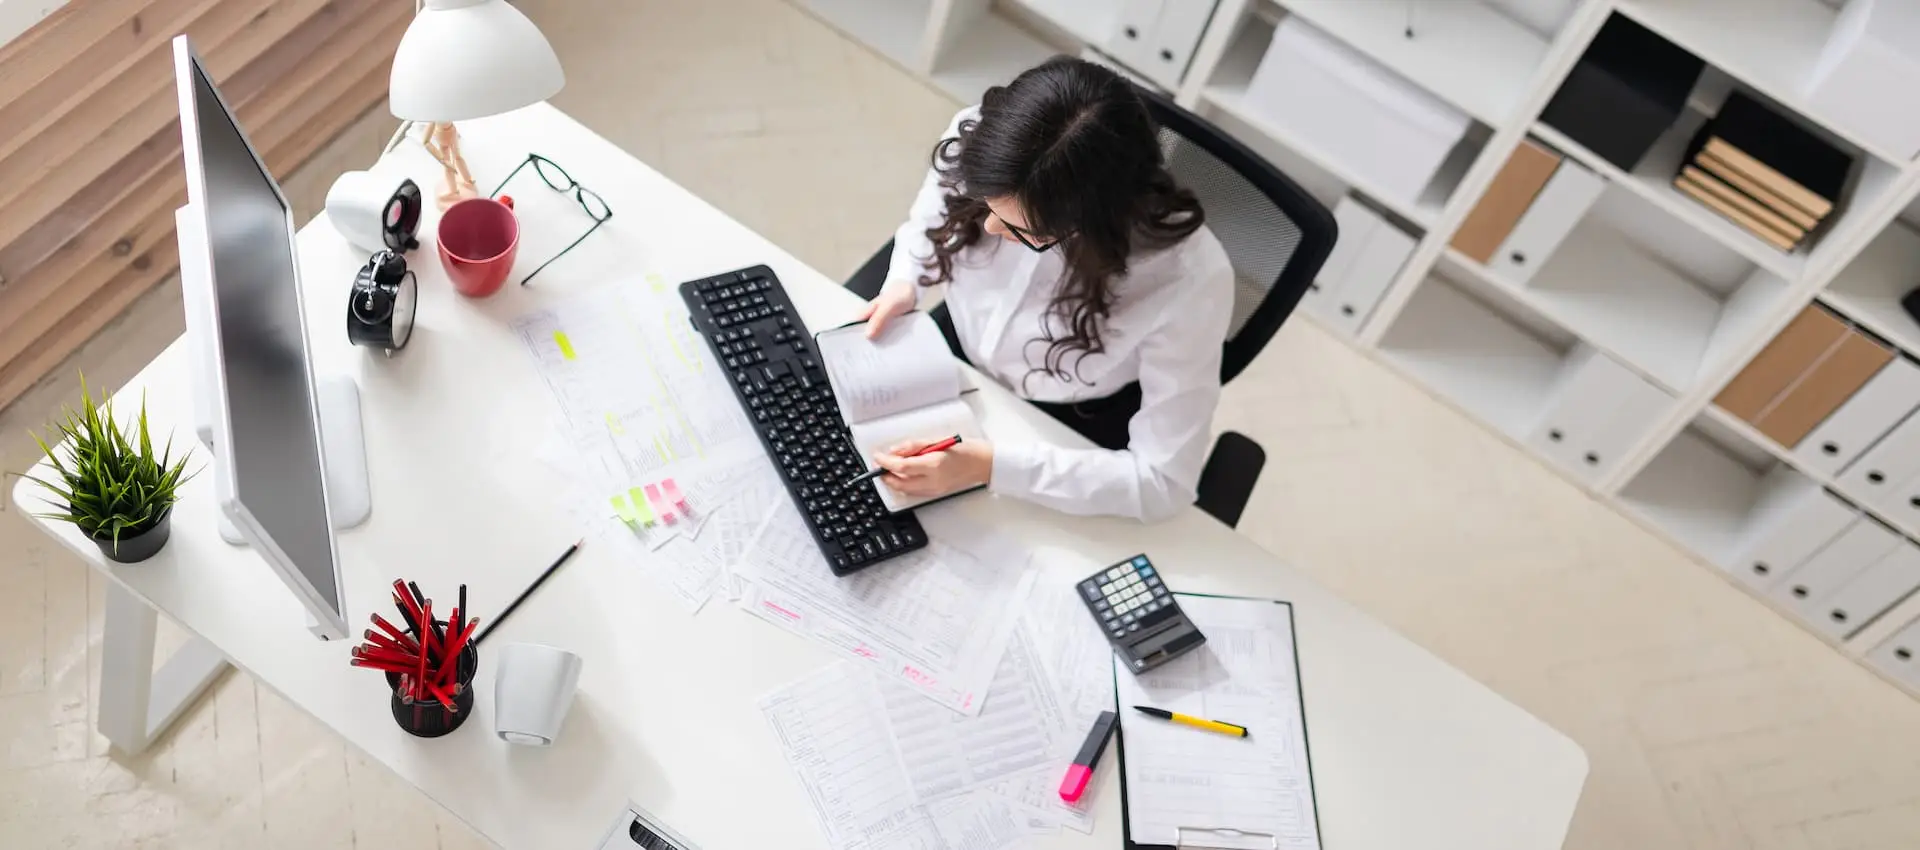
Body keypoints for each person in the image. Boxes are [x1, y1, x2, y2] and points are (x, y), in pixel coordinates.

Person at [856, 56, 1234, 523]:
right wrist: (905, 281)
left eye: (1026, 232)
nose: (990, 226)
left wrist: (989, 467)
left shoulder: (1188, 277)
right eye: (984, 203)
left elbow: (1164, 483)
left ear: (1095, 221)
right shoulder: (979, 137)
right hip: (960, 346)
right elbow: (927, 224)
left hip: (1071, 407)